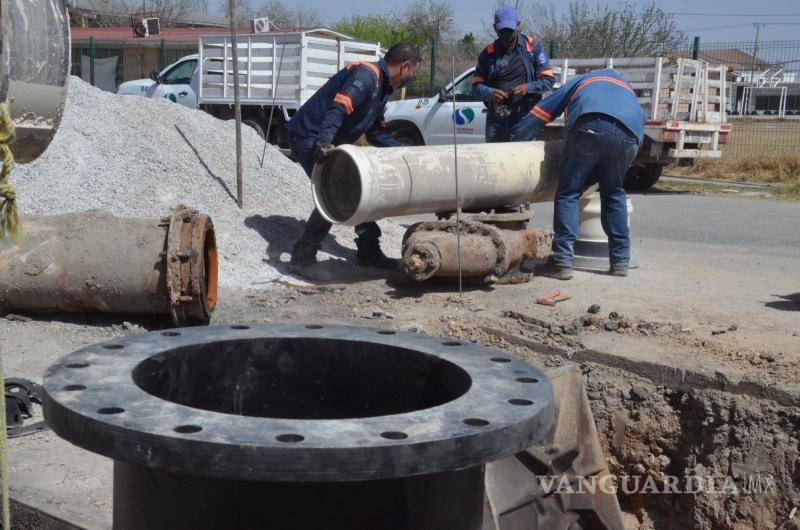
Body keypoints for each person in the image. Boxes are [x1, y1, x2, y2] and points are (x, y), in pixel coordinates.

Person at [287, 43, 421, 281]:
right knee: (335, 193)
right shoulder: (367, 75)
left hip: (328, 139)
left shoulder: (383, 88)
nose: (411, 76)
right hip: (309, 136)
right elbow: (338, 108)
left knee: (363, 190)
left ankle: (368, 253)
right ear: (405, 66)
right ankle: (302, 259)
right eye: (413, 71)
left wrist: (404, 152)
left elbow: (374, 133)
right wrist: (324, 142)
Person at [512, 69, 646, 279]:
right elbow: (636, 134)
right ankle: (620, 261)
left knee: (569, 192)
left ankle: (562, 262)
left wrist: (516, 140)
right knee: (613, 192)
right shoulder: (626, 89)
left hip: (589, 125)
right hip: (629, 136)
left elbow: (542, 113)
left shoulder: (582, 81)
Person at [471, 6, 555, 143]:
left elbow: (548, 80)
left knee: (524, 160)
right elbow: (476, 86)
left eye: (509, 30)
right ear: (495, 28)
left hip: (525, 118)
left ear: (518, 26)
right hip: (496, 120)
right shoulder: (488, 53)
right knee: (494, 159)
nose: (506, 35)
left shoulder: (532, 48)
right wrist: (490, 92)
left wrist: (527, 88)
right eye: (502, 30)